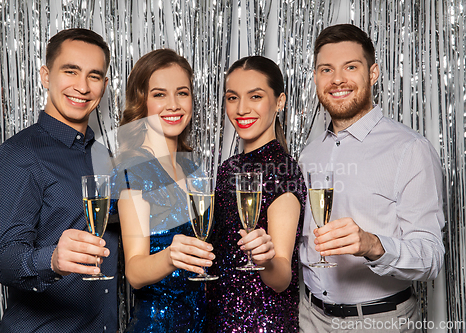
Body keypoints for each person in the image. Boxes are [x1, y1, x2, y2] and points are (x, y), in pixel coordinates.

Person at [298, 24, 445, 332]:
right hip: (309, 317)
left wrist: (373, 245)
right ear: (315, 78)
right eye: (326, 69)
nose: (337, 79)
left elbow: (431, 258)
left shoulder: (410, 149)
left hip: (380, 322)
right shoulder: (308, 153)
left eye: (350, 67)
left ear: (373, 73)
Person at [0, 28, 118, 332]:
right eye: (70, 71)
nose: (82, 86)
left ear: (105, 84)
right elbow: (5, 259)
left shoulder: (105, 156)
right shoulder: (19, 154)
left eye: (94, 76)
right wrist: (53, 260)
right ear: (46, 76)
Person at [113, 48, 211, 332]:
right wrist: (170, 256)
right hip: (158, 325)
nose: (174, 104)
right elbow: (134, 271)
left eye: (182, 93)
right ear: (141, 102)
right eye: (159, 94)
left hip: (201, 321)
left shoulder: (194, 169)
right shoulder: (134, 170)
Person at [206, 56, 306, 332]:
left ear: (280, 101)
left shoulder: (283, 170)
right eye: (232, 97)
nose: (241, 109)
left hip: (262, 323)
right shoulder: (228, 169)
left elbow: (282, 276)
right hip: (219, 318)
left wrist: (266, 260)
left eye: (255, 96)